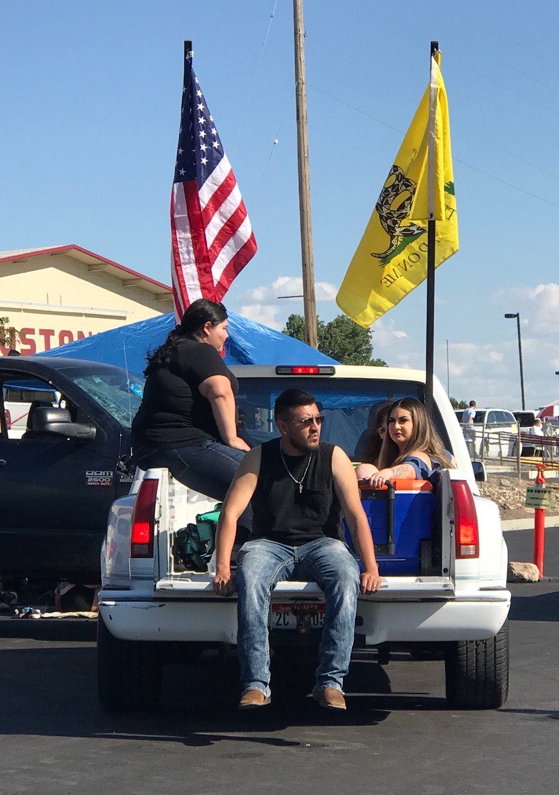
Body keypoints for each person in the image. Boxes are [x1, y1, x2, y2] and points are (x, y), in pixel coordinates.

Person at [213, 388, 382, 712]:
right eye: (306, 422)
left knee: (346, 579)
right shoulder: (259, 457)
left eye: (319, 419)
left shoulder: (334, 457)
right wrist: (223, 567)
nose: (315, 427)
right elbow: (230, 513)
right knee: (249, 577)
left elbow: (355, 514)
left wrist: (370, 567)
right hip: (269, 544)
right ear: (283, 425)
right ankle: (256, 685)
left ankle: (331, 683)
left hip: (323, 544)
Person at [131, 299, 251, 500]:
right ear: (207, 328)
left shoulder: (177, 349)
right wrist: (232, 439)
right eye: (224, 328)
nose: (227, 335)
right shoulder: (199, 350)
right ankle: (242, 532)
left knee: (256, 475)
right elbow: (220, 392)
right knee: (255, 479)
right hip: (179, 444)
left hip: (158, 445)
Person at [355, 397, 454, 485]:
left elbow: (412, 468)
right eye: (391, 421)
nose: (396, 426)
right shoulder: (387, 458)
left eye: (403, 420)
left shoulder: (424, 455)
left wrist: (388, 473)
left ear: (418, 424)